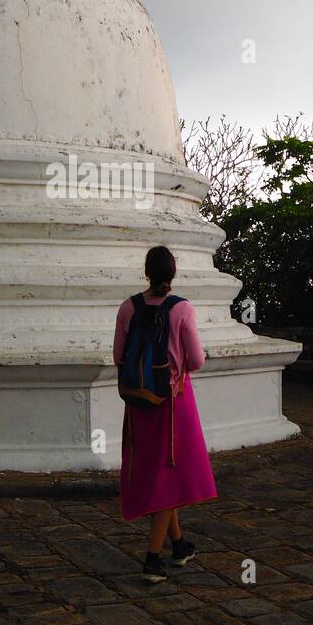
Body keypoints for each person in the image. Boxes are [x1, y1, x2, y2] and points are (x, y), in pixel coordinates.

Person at [113, 245, 217, 583]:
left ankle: (179, 544)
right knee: (170, 475)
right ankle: (151, 558)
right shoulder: (182, 308)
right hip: (173, 401)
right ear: (173, 272)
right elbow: (197, 361)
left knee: (158, 471)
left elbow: (118, 357)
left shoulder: (128, 307)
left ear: (146, 271)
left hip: (139, 402)